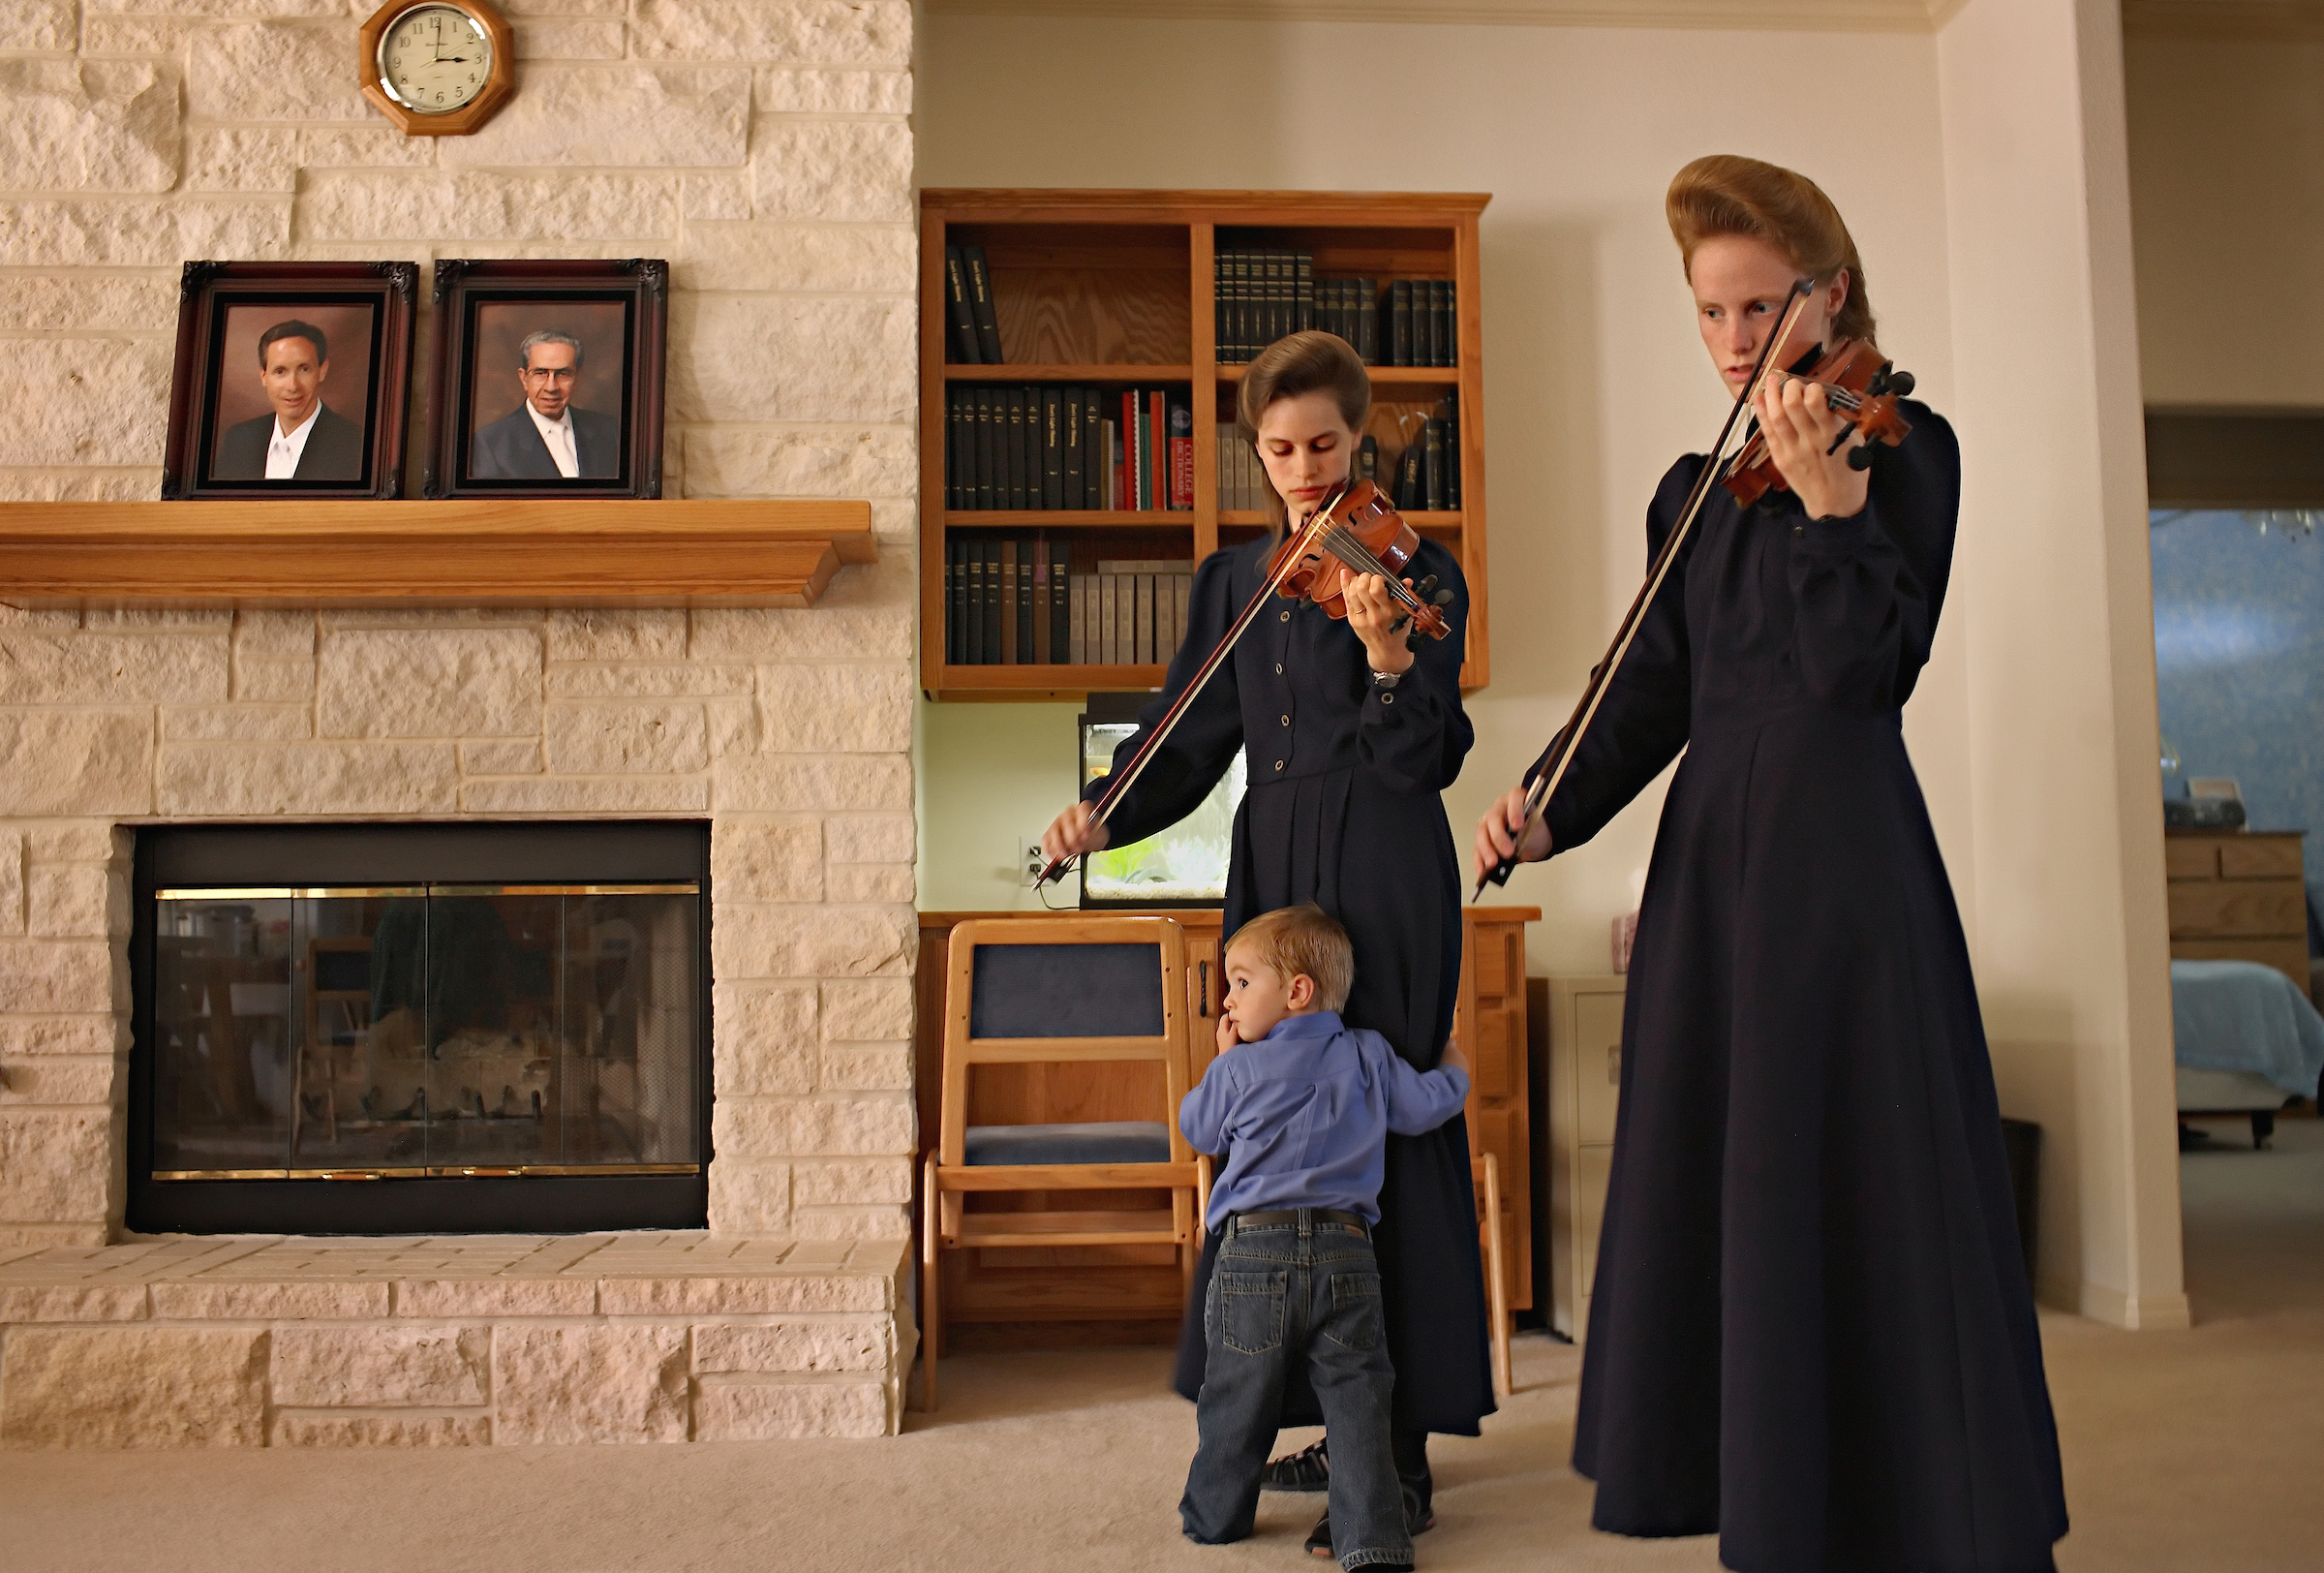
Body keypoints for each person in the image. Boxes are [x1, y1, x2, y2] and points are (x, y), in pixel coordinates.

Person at [1476, 154, 2068, 1571]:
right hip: (1713, 878)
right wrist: (1554, 805)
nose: (1737, 341)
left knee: (1861, 1174)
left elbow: (1869, 671)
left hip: (1846, 869)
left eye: (1759, 306)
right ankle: (1771, 1495)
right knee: (1730, 1185)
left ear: (1831, 289)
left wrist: (1833, 515)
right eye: (1710, 313)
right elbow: (1649, 689)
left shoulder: (1900, 448)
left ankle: (1908, 1507)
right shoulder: (1692, 488)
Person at [1042, 330, 1491, 1558]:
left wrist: (1390, 656)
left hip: (1389, 863)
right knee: (1283, 1130)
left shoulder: (1415, 564)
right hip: (1277, 864)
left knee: (1379, 1126)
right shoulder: (1235, 580)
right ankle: (1314, 1417)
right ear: (1255, 451)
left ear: (1362, 441)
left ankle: (1394, 1460)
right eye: (1281, 450)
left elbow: (1432, 755)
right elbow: (1185, 744)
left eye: (1326, 446)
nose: (1303, 470)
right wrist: (1105, 817)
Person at [1178, 905, 1472, 1571]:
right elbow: (1427, 1105)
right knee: (1359, 1397)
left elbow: (1199, 1130)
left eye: (1241, 982)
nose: (1228, 999)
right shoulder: (1368, 1053)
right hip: (1347, 1254)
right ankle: (1372, 1538)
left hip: (1253, 1254)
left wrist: (1223, 1060)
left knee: (1235, 1394)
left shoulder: (1238, 1068)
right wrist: (1454, 1061)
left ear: (1298, 990)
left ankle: (1215, 1517)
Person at [213, 319, 364, 481]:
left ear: (322, 371)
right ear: (263, 376)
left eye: (304, 369)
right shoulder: (239, 440)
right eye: (280, 371)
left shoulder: (354, 444)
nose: (293, 386)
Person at [469, 328, 621, 479]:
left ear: (577, 378)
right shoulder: (490, 445)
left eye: (563, 374)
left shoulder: (608, 430)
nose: (551, 387)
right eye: (541, 373)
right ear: (524, 378)